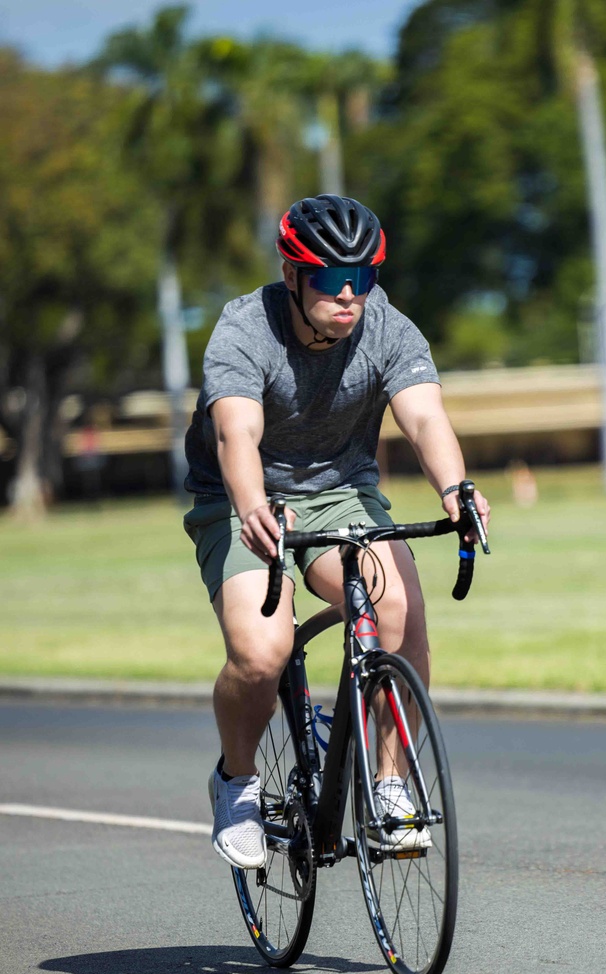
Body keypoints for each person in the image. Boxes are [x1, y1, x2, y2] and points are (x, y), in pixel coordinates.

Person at [183, 194, 490, 869]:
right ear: (293, 274)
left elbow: (425, 419)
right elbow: (237, 432)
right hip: (240, 498)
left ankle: (389, 784)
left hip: (341, 494)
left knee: (399, 612)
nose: (349, 294)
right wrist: (253, 503)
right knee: (261, 655)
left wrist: (454, 488)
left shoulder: (386, 328)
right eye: (329, 278)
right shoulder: (244, 330)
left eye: (364, 277)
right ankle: (236, 780)